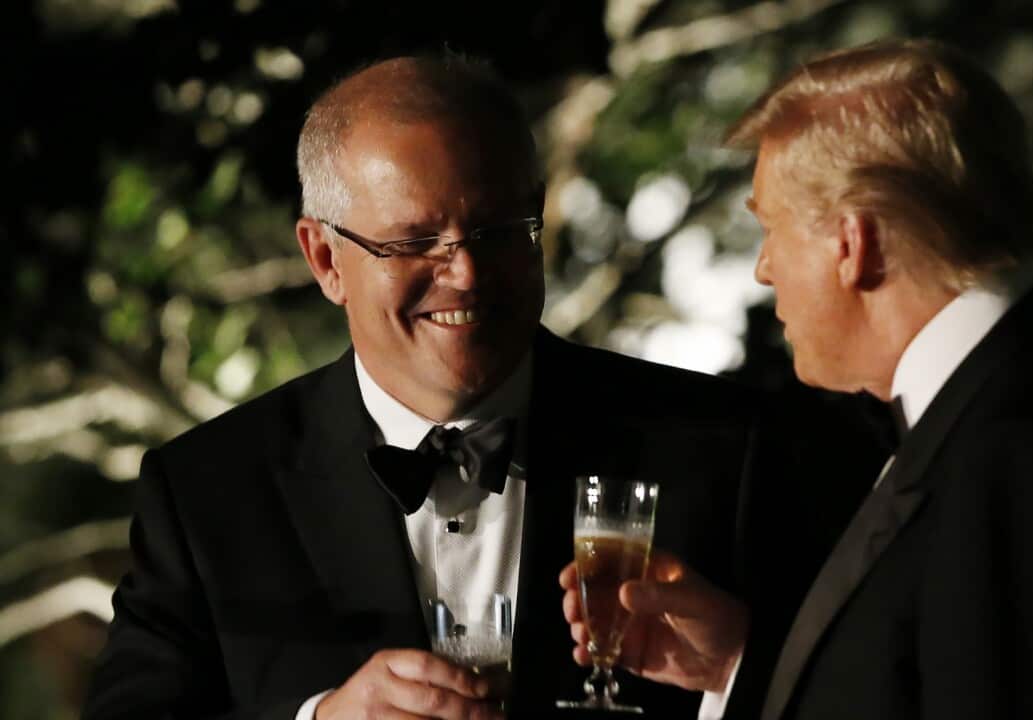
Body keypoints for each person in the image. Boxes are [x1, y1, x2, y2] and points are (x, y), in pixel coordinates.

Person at [560, 38, 1033, 719]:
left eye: (770, 228)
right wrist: (738, 668)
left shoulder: (1019, 448)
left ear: (851, 243)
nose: (763, 268)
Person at [84, 53, 764, 720]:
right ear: (325, 260)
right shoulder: (207, 491)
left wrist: (734, 673)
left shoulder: (721, 448)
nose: (466, 273)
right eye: (413, 242)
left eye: (498, 231)